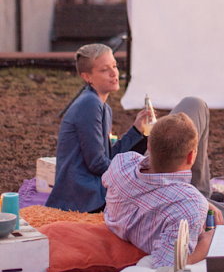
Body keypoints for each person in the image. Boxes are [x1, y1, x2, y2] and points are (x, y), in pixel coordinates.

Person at [103, 114, 224, 267]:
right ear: (191, 157)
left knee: (195, 104)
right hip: (187, 209)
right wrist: (207, 242)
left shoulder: (122, 162)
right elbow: (167, 266)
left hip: (173, 197)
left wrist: (199, 200)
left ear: (149, 145)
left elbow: (108, 181)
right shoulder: (190, 206)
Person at [47, 43, 152, 212]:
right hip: (83, 195)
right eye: (104, 70)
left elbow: (107, 156)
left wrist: (136, 130)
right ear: (87, 77)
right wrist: (133, 172)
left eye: (114, 66)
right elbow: (97, 164)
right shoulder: (89, 104)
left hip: (91, 188)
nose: (114, 73)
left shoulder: (101, 105)